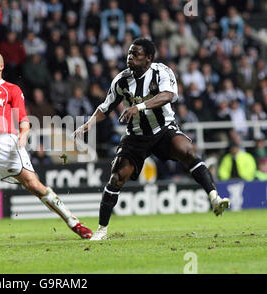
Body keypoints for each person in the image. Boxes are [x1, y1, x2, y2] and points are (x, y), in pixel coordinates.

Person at [73, 38, 230, 241]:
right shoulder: (121, 80)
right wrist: (88, 124)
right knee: (117, 177)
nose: (130, 57)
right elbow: (106, 107)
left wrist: (138, 107)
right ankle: (101, 230)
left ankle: (214, 198)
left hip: (163, 129)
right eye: (129, 53)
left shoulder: (161, 72)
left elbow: (168, 95)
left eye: (135, 54)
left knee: (188, 151)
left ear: (148, 58)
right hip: (136, 136)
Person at [0, 51, 92, 243]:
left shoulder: (11, 89)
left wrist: (23, 136)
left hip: (6, 143)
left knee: (35, 186)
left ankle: (73, 222)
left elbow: (23, 120)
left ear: (1, 67)